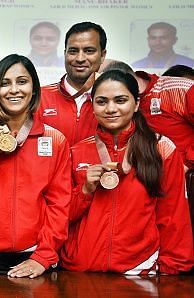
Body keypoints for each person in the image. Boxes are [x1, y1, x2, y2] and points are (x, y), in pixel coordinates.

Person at [60, 70, 194, 274]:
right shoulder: (76, 151)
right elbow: (60, 216)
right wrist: (85, 190)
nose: (111, 109)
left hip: (138, 271)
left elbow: (173, 217)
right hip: (80, 271)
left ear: (137, 104)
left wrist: (170, 270)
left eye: (120, 100)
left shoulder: (161, 149)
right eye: (102, 101)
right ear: (92, 106)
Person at [0, 54, 71, 278]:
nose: (14, 90)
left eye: (22, 82)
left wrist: (44, 256)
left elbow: (59, 206)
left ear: (34, 89)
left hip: (34, 256)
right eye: (4, 83)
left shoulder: (55, 140)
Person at [37, 22, 107, 146]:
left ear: (102, 55)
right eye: (73, 51)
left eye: (89, 51)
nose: (80, 58)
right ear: (65, 54)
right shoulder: (39, 98)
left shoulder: (113, 102)